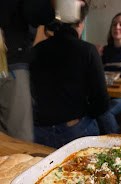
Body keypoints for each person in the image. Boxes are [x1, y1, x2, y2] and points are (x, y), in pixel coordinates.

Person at [30, 0, 110, 148]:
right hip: (72, 130)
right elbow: (102, 103)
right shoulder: (88, 50)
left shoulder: (36, 49)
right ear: (81, 23)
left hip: (38, 131)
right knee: (102, 123)